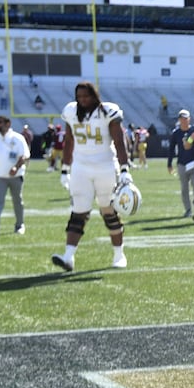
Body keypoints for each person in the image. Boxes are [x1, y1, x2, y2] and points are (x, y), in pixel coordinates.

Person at [51, 81, 132, 272]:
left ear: (94, 96)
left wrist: (125, 169)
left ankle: (119, 255)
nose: (82, 100)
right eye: (79, 97)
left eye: (86, 96)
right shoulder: (71, 111)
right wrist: (65, 168)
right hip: (80, 167)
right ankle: (68, 257)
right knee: (78, 212)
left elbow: (119, 141)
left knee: (108, 212)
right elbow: (69, 140)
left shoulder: (107, 111)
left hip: (105, 166)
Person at [0, 114, 29, 235]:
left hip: (15, 176)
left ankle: (20, 225)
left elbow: (24, 156)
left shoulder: (18, 138)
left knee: (17, 200)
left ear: (8, 124)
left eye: (0, 122)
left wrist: (16, 167)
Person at [166, 110, 194, 217]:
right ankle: (188, 209)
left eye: (186, 118)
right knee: (184, 188)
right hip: (181, 163)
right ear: (179, 119)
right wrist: (169, 163)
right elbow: (171, 149)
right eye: (182, 118)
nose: (184, 120)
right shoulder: (176, 133)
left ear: (189, 119)